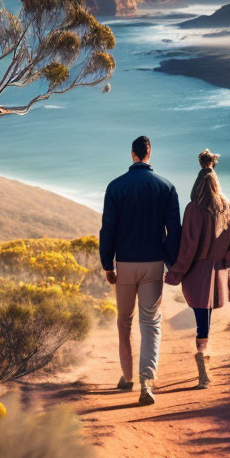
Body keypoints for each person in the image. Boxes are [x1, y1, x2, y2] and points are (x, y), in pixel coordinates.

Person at [99, 136, 181, 406]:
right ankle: (146, 381)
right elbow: (174, 232)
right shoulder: (167, 187)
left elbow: (108, 229)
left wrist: (107, 264)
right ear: (149, 154)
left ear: (132, 154)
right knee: (151, 323)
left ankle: (126, 376)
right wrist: (172, 264)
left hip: (125, 264)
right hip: (153, 264)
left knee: (124, 321)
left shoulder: (115, 187)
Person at [165, 148, 230, 389]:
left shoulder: (193, 209)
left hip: (198, 273)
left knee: (201, 319)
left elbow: (187, 248)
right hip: (218, 273)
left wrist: (175, 273)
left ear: (198, 184)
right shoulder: (227, 207)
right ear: (216, 183)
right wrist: (228, 258)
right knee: (206, 318)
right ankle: (203, 360)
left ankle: (202, 366)